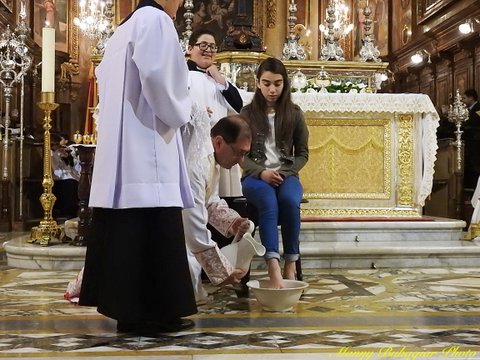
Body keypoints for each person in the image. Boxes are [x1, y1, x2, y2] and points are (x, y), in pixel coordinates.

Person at [78, 0, 197, 335]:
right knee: (152, 223)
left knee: (128, 228)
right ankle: (155, 312)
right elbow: (160, 80)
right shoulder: (155, 20)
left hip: (122, 146)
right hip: (147, 143)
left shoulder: (124, 28)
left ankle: (128, 308)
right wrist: (182, 110)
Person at [239, 57, 309, 289]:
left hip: (286, 175)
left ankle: (290, 261)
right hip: (255, 178)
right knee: (269, 203)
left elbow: (302, 153)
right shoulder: (247, 114)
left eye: (278, 84)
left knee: (289, 201)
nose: (272, 89)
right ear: (258, 83)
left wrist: (285, 171)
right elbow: (242, 155)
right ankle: (273, 266)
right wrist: (261, 173)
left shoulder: (294, 113)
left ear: (285, 84)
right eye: (267, 83)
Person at [182, 113, 252, 304]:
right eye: (239, 152)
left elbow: (210, 201)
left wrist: (234, 221)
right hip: (175, 234)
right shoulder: (196, 163)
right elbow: (192, 223)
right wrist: (223, 271)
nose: (241, 160)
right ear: (219, 142)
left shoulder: (211, 158)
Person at [187, 28, 244, 199]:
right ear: (190, 48)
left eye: (212, 46)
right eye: (203, 45)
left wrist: (220, 79)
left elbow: (238, 106)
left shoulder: (219, 79)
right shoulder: (182, 74)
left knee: (221, 195)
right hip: (194, 143)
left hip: (222, 145)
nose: (208, 50)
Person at [51, 133, 80, 220]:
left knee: (75, 181)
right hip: (59, 177)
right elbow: (56, 169)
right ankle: (68, 211)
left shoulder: (59, 151)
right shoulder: (51, 153)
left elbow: (71, 165)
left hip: (68, 175)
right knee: (69, 183)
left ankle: (74, 210)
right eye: (55, 144)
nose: (58, 146)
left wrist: (67, 156)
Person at [461, 89, 480, 190]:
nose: (462, 101)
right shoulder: (466, 110)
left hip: (476, 142)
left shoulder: (478, 108)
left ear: (471, 98)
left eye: (464, 98)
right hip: (468, 143)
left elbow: (475, 123)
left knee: (475, 166)